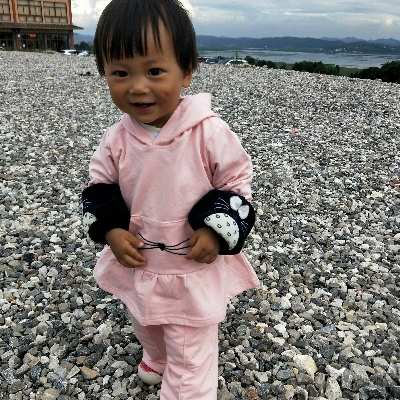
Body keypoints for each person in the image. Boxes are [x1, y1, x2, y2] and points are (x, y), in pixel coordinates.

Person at [82, 0, 260, 398]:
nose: (138, 87)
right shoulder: (116, 139)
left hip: (191, 262)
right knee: (145, 317)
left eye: (154, 71)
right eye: (120, 73)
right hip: (141, 259)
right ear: (104, 73)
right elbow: (99, 187)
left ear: (186, 71)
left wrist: (215, 231)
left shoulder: (208, 132)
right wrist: (110, 229)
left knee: (190, 346)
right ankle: (158, 357)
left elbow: (236, 183)